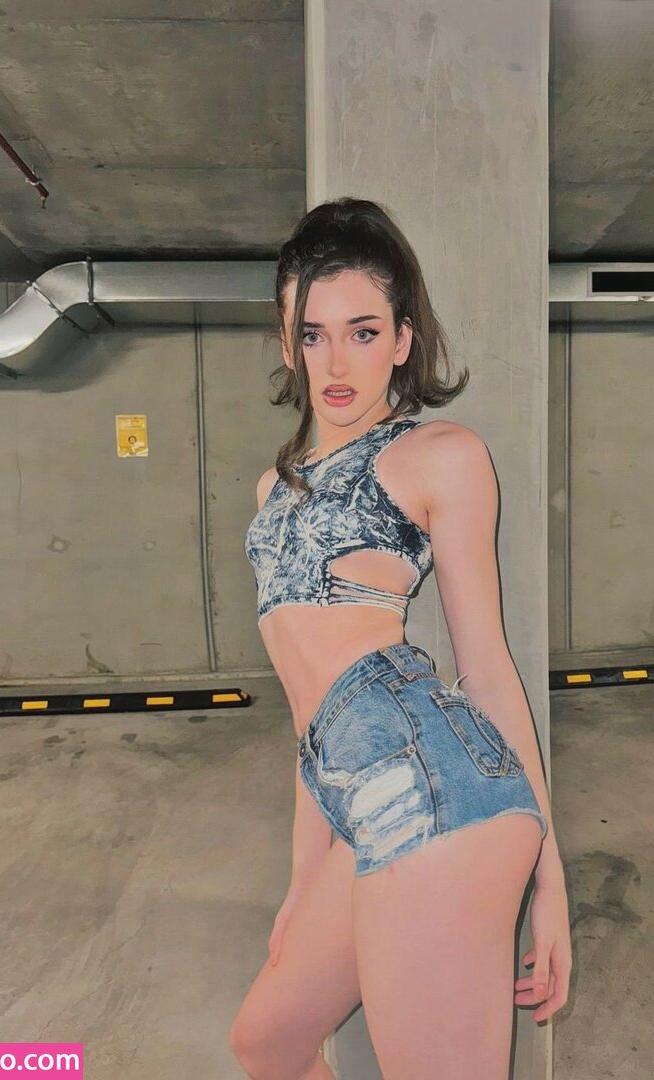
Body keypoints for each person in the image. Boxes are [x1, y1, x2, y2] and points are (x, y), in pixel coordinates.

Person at [231, 198, 571, 1080]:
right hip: (350, 786)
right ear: (286, 342)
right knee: (266, 1044)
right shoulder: (273, 489)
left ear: (402, 341)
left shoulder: (440, 455)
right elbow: (308, 716)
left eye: (363, 332)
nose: (337, 362)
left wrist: (551, 881)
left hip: (439, 790)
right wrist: (303, 885)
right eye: (313, 335)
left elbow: (487, 670)